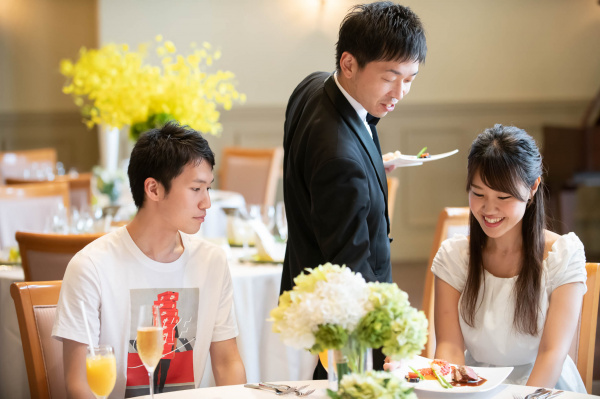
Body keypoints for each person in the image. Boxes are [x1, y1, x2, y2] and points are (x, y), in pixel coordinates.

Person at [280, 1, 427, 376]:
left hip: (306, 285)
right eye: (390, 76)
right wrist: (390, 337)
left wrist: (372, 165)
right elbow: (352, 267)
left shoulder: (312, 86)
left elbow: (320, 168)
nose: (400, 91)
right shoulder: (340, 160)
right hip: (342, 328)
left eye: (410, 78)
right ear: (349, 63)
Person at [52, 121, 246, 398]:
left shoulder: (211, 261)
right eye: (196, 189)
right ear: (153, 189)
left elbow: (228, 364)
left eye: (208, 189)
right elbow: (78, 384)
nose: (207, 203)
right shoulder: (91, 267)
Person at [429, 124, 586, 392]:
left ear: (533, 188)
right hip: (475, 385)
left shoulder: (562, 255)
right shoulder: (454, 258)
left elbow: (552, 353)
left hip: (542, 388)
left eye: (503, 196)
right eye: (478, 194)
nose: (489, 209)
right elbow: (449, 347)